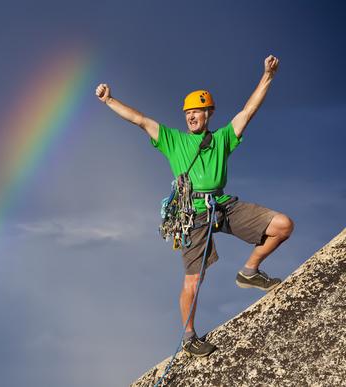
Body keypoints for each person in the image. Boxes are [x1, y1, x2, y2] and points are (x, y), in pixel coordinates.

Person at [95, 55, 294, 357]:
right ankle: (189, 338)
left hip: (223, 204)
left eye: (198, 111)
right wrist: (110, 100)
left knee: (283, 226)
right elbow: (141, 120)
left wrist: (267, 75)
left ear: (209, 113)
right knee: (193, 278)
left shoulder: (223, 139)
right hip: (193, 213)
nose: (191, 115)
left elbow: (249, 110)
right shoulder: (173, 141)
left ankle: (250, 271)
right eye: (188, 111)